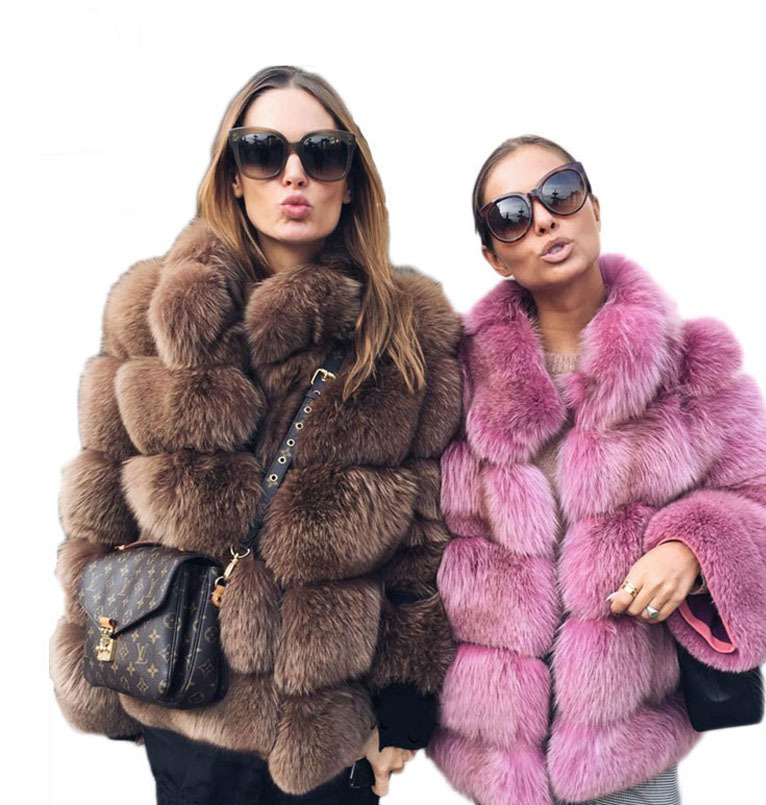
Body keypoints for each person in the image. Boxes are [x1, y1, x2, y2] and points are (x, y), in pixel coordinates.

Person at [49, 65, 461, 804]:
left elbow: (427, 541)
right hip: (188, 719)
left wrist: (405, 708)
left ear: (351, 180)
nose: (294, 174)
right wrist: (100, 659)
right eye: (264, 151)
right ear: (234, 176)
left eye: (323, 153)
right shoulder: (151, 310)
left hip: (332, 739)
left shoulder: (408, 331)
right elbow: (97, 506)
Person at [425, 135, 766, 804]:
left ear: (594, 208)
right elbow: (405, 543)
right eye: (511, 215)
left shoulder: (689, 367)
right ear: (494, 255)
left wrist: (695, 547)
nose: (544, 220)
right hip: (490, 769)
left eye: (560, 193)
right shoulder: (450, 381)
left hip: (630, 764)